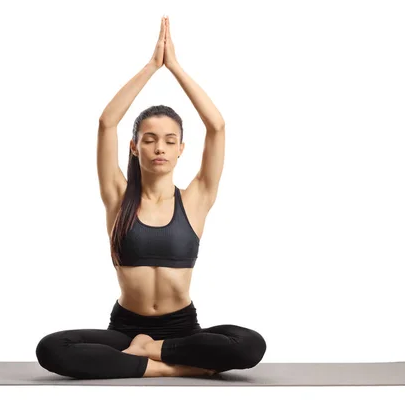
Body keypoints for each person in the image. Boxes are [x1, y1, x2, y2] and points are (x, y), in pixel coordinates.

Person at [35, 15, 266, 379]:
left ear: (181, 149)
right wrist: (150, 67)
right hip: (124, 331)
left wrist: (175, 67)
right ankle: (170, 370)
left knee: (250, 344)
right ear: (135, 147)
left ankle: (152, 354)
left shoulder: (196, 198)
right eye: (149, 139)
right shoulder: (117, 195)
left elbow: (217, 126)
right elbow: (106, 123)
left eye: (170, 140)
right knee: (50, 348)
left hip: (182, 332)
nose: (160, 147)